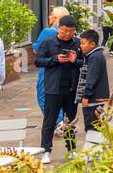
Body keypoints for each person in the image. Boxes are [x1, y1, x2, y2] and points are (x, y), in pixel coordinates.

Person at [36, 16, 84, 164]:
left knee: (70, 121)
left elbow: (84, 62)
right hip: (53, 88)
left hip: (71, 88)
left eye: (71, 31)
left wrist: (74, 61)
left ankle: (71, 149)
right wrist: (55, 59)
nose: (68, 34)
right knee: (49, 121)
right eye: (65, 31)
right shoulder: (49, 42)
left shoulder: (77, 43)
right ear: (59, 28)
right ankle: (46, 151)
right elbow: (38, 61)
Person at [35, 6, 70, 113]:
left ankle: (57, 124)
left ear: (56, 17)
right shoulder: (68, 33)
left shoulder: (48, 31)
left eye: (51, 14)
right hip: (64, 70)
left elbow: (36, 49)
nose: (49, 16)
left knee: (43, 97)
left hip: (47, 68)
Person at [78, 28, 110, 133]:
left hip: (94, 100)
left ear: (92, 44)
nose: (81, 46)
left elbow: (91, 78)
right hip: (98, 100)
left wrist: (86, 95)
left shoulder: (94, 57)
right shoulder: (95, 55)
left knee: (92, 129)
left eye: (83, 43)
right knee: (98, 128)